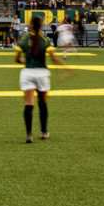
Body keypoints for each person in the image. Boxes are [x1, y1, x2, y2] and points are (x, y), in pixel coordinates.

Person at [15, 15, 65, 143]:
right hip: (42, 73)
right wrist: (65, 67)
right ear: (41, 25)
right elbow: (54, 58)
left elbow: (17, 59)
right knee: (42, 103)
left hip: (27, 73)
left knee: (28, 104)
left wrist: (24, 60)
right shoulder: (46, 40)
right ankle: (43, 132)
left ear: (30, 25)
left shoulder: (23, 39)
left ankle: (29, 135)